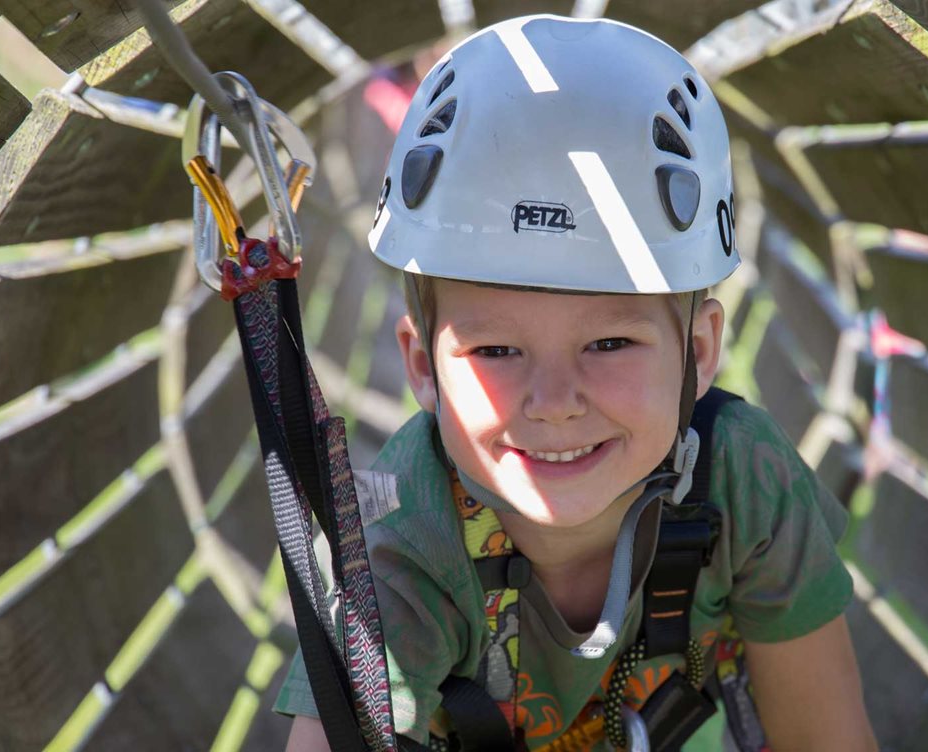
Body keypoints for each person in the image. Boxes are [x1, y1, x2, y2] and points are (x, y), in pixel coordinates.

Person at [278, 14, 876, 751]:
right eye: (496, 350)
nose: (554, 402)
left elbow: (824, 738)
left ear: (699, 349)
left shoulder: (744, 485)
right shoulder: (404, 549)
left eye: (609, 343)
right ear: (421, 366)